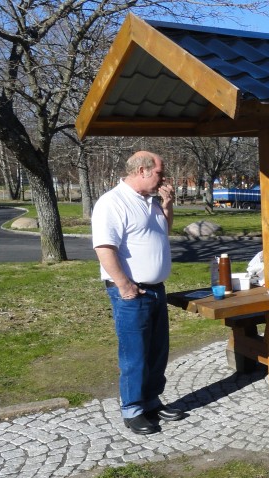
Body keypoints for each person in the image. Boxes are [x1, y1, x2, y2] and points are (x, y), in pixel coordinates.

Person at [92, 150, 187, 436]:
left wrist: (167, 205)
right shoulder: (113, 202)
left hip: (156, 290)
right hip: (132, 292)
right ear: (142, 170)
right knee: (135, 354)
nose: (164, 178)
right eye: (159, 172)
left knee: (157, 351)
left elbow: (162, 231)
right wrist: (124, 285)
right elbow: (104, 247)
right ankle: (132, 409)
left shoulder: (150, 201)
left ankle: (151, 401)